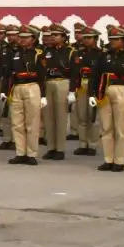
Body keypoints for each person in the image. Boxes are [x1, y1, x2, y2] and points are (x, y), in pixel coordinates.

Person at [94, 26, 124, 172]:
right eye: (111, 39)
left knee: (121, 128)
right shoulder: (104, 55)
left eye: (116, 39)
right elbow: (96, 74)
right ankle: (108, 159)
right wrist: (93, 94)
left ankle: (119, 161)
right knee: (106, 127)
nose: (112, 42)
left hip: (122, 90)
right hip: (104, 90)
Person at [4, 25, 44, 165]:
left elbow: (42, 75)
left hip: (32, 86)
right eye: (21, 37)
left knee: (32, 122)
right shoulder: (14, 53)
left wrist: (43, 95)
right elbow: (8, 72)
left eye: (26, 37)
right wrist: (5, 91)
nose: (22, 40)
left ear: (33, 39)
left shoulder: (38, 53)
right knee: (17, 123)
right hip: (17, 87)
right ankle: (20, 152)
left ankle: (31, 153)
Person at [40, 25, 73, 161]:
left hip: (62, 82)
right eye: (52, 35)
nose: (53, 37)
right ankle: (51, 147)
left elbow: (74, 71)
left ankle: (60, 149)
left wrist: (72, 91)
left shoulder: (70, 51)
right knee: (49, 117)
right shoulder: (47, 51)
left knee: (60, 117)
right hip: (49, 83)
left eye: (57, 35)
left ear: (64, 37)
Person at [69, 27, 102, 156]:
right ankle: (83, 144)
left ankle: (92, 145)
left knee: (93, 117)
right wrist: (72, 90)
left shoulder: (101, 53)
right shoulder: (78, 53)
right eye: (85, 37)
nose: (86, 40)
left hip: (94, 86)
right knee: (82, 116)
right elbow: (74, 72)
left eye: (89, 38)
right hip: (81, 85)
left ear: (95, 39)